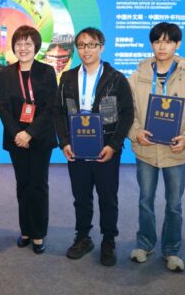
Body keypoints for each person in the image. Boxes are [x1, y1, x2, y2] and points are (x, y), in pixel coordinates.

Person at [127, 22, 185, 272]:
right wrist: (135, 133)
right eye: (157, 41)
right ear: (151, 44)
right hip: (146, 151)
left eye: (168, 41)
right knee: (145, 200)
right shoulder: (137, 78)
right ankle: (144, 244)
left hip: (176, 152)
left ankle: (172, 250)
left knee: (174, 204)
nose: (162, 46)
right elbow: (128, 113)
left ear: (177, 44)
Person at [54, 27, 134, 266]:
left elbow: (127, 114)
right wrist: (64, 142)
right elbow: (58, 112)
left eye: (91, 45)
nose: (86, 50)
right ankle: (83, 237)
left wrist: (114, 146)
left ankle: (109, 240)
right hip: (77, 148)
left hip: (105, 149)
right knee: (81, 197)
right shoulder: (68, 78)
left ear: (101, 47)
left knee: (108, 197)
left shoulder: (116, 78)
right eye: (81, 45)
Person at [0, 25, 58, 254]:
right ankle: (25, 230)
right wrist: (17, 133)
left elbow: (51, 106)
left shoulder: (47, 71)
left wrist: (30, 132)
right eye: (19, 44)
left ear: (36, 47)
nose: (23, 48)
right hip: (16, 139)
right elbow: (2, 106)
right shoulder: (6, 73)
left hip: (39, 137)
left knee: (38, 185)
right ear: (14, 47)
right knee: (22, 184)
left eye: (28, 44)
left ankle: (39, 233)